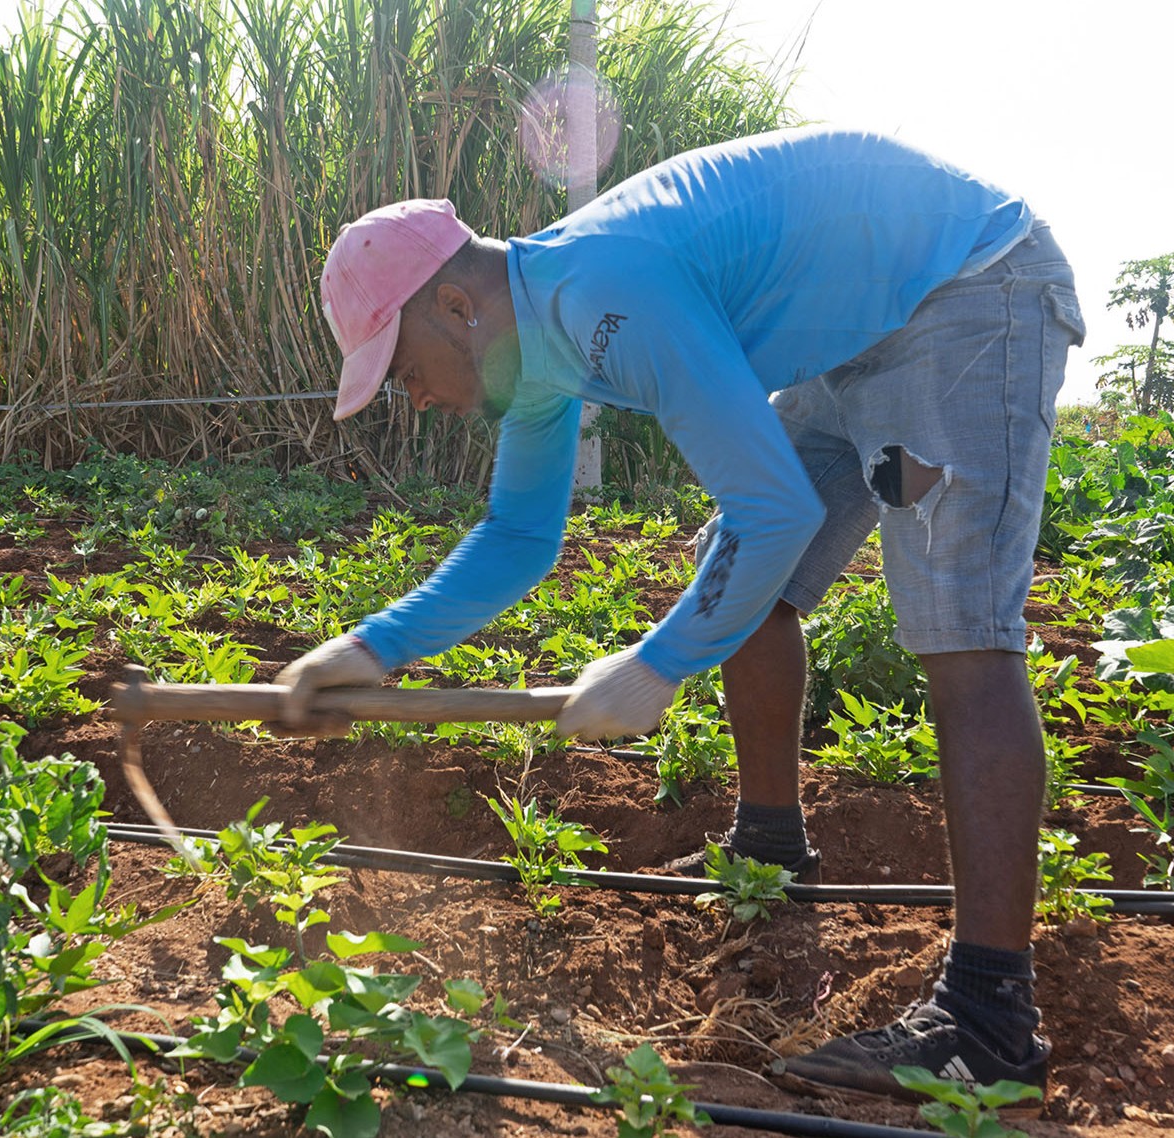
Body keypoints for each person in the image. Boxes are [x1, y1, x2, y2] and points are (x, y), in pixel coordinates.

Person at [277, 126, 1086, 1106]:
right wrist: (372, 647)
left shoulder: (601, 293)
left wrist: (658, 664)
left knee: (961, 630)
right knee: (736, 577)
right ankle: (771, 849)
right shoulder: (532, 339)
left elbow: (775, 510)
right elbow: (520, 536)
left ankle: (990, 1015)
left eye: (400, 366)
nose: (411, 395)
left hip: (966, 291)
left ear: (455, 305)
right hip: (861, 328)